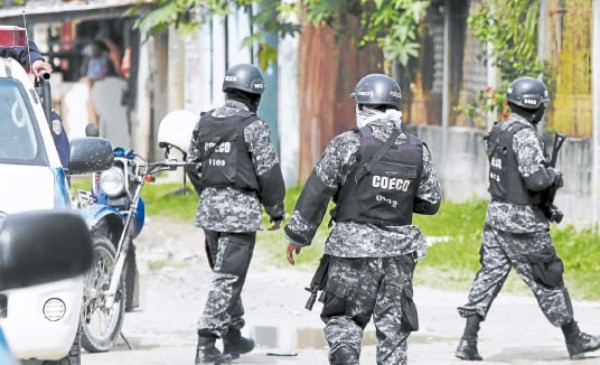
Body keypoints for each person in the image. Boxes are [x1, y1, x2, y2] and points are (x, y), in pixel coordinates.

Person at [284, 74, 442, 365]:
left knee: (344, 318)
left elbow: (317, 192)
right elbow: (431, 202)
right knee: (393, 328)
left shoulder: (346, 145)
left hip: (350, 251)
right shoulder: (418, 150)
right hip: (399, 253)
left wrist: (297, 236)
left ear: (362, 108)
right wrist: (396, 197)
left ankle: (345, 355)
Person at [455, 77, 600, 361]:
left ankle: (467, 341)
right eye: (543, 104)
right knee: (548, 278)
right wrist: (554, 176)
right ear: (535, 107)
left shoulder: (499, 131)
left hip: (496, 216)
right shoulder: (525, 135)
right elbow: (535, 180)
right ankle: (575, 339)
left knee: (489, 276)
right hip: (523, 224)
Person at [186, 63, 286, 364]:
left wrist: (210, 194)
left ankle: (232, 336)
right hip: (240, 215)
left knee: (226, 276)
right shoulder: (254, 126)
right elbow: (268, 172)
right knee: (228, 279)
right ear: (254, 96)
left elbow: (193, 165)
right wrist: (276, 209)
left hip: (210, 212)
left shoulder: (204, 123)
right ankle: (205, 345)